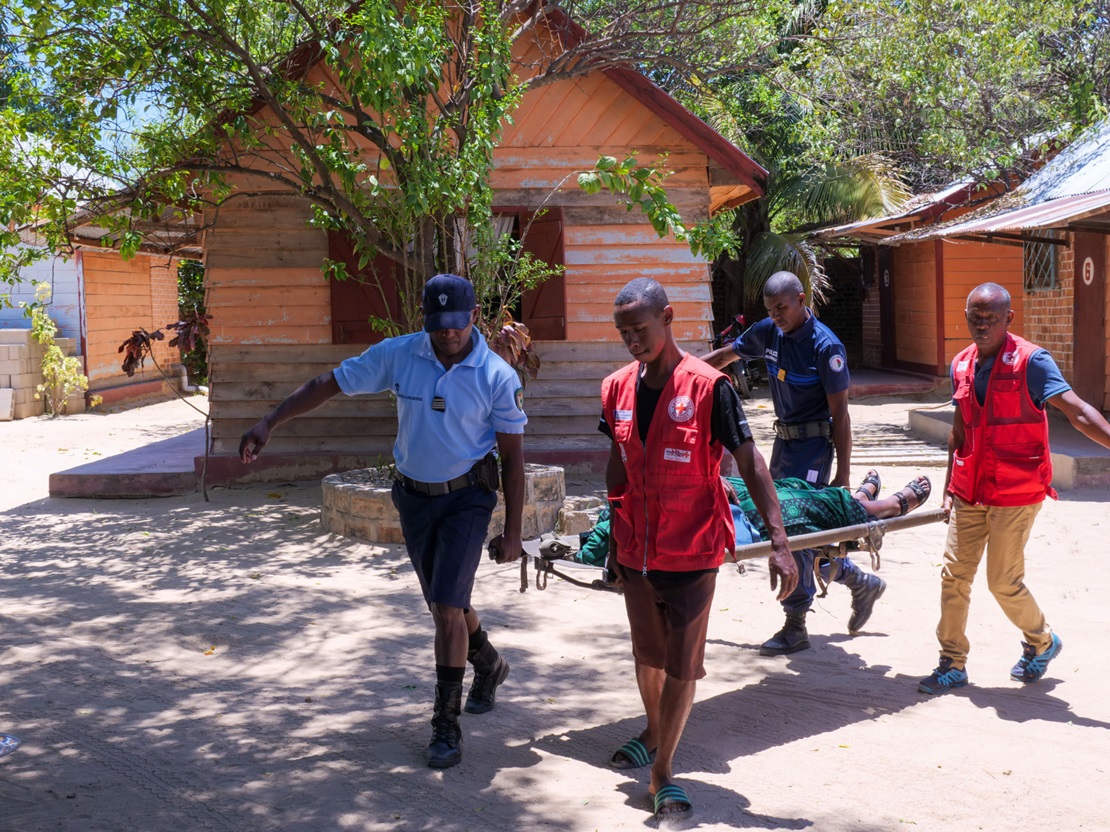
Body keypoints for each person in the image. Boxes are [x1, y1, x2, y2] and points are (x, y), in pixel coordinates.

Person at [238, 273, 527, 767]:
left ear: (474, 317)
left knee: (447, 610)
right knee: (444, 605)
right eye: (438, 326)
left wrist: (515, 532)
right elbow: (329, 383)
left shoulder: (497, 375)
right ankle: (490, 664)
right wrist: (270, 421)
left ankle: (445, 724)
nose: (448, 335)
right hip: (414, 498)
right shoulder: (400, 354)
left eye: (457, 325)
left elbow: (514, 458)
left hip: (467, 499)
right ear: (425, 321)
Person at [599, 277, 798, 821]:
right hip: (636, 549)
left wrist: (779, 540)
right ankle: (652, 728)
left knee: (683, 663)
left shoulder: (711, 388)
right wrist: (609, 534)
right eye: (624, 334)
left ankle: (663, 772)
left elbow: (752, 462)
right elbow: (617, 461)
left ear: (668, 318)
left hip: (692, 549)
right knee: (647, 654)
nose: (632, 341)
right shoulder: (616, 387)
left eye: (639, 329)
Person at [918, 282, 1110, 695]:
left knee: (1002, 582)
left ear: (1009, 318)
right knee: (954, 576)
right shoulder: (962, 364)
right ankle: (952, 662)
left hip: (1016, 491)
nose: (981, 324)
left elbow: (1076, 411)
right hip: (971, 488)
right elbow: (959, 430)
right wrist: (950, 483)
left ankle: (1042, 641)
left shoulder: (1032, 362)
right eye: (975, 317)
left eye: (990, 318)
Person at [703, 271, 887, 654]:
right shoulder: (769, 331)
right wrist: (682, 374)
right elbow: (726, 355)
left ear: (801, 300)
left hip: (815, 450)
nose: (777, 316)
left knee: (795, 532)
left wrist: (843, 473)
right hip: (783, 446)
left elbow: (843, 415)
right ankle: (858, 582)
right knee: (782, 525)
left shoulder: (826, 348)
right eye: (771, 310)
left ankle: (796, 624)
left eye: (782, 308)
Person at [567, 470, 932, 568]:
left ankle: (859, 499)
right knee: (799, 508)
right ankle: (884, 506)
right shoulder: (616, 520)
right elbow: (593, 552)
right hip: (729, 523)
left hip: (713, 497)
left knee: (790, 487)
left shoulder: (616, 508)